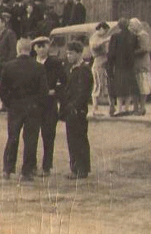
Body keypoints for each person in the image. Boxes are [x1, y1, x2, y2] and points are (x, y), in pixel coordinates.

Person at [0, 38, 46, 182]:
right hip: (33, 107)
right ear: (30, 50)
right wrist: (37, 104)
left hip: (15, 106)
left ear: (18, 50)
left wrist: (9, 103)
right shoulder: (39, 67)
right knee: (31, 139)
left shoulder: (8, 66)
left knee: (12, 137)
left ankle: (7, 169)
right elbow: (44, 90)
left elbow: (2, 89)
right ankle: (26, 171)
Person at [32, 35, 65, 178]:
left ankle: (46, 166)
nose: (41, 49)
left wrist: (55, 91)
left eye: (43, 46)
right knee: (31, 136)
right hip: (34, 104)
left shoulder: (55, 63)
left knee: (48, 135)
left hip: (49, 104)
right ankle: (31, 165)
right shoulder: (31, 63)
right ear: (34, 48)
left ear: (48, 47)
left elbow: (64, 81)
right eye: (38, 46)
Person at [61, 41, 93, 180]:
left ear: (79, 53)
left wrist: (73, 106)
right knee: (73, 139)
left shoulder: (83, 70)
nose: (68, 56)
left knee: (78, 140)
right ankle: (78, 168)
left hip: (77, 110)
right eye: (67, 53)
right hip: (71, 109)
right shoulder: (72, 68)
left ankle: (80, 169)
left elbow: (83, 92)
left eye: (71, 53)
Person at [107, 18, 139, 116]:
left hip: (119, 65)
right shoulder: (133, 36)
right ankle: (127, 108)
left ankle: (119, 108)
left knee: (119, 87)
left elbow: (111, 53)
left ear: (119, 26)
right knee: (128, 87)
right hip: (130, 65)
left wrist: (110, 66)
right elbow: (136, 49)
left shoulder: (115, 36)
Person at [0, 14, 17, 114]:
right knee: (1, 86)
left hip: (6, 64)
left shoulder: (9, 33)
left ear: (4, 23)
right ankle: (4, 104)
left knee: (7, 85)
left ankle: (9, 105)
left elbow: (13, 49)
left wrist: (9, 63)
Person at [129, 18, 151, 116]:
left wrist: (131, 52)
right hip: (135, 64)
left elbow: (144, 49)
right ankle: (136, 107)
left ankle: (142, 107)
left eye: (132, 25)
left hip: (142, 63)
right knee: (136, 86)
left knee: (143, 86)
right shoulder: (135, 35)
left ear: (137, 25)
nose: (130, 27)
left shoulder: (143, 35)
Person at [88, 22, 111, 116]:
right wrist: (106, 40)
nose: (106, 33)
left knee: (105, 84)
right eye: (105, 31)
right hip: (98, 63)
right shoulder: (94, 37)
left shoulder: (101, 37)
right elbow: (95, 45)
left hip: (104, 63)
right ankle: (95, 108)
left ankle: (110, 107)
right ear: (101, 28)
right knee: (98, 85)